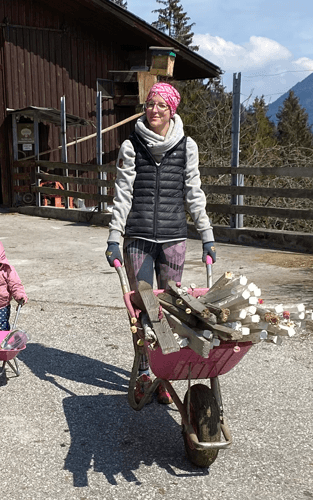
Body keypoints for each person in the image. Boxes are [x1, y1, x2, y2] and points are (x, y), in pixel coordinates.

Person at [105, 82, 217, 405]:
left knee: (169, 307)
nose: (154, 110)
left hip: (173, 240)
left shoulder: (187, 147)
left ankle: (164, 374)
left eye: (161, 106)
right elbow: (122, 195)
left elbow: (194, 194)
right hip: (138, 238)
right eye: (150, 104)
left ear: (172, 110)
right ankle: (144, 367)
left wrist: (207, 236)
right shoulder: (131, 146)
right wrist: (115, 236)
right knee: (143, 309)